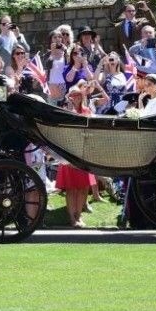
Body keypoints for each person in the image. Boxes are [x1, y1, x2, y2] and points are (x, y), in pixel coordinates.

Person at [55, 84, 96, 227]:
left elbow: (91, 130)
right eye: (72, 94)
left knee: (83, 187)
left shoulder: (87, 111)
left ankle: (79, 216)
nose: (76, 97)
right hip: (68, 152)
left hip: (84, 153)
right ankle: (72, 218)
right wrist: (69, 106)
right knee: (71, 188)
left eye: (78, 94)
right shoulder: (63, 111)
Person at [43, 29, 69, 105]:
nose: (58, 39)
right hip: (52, 86)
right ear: (51, 40)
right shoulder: (48, 54)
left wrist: (66, 51)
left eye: (59, 37)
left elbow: (69, 66)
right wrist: (52, 52)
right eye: (55, 37)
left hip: (63, 85)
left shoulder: (65, 52)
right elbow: (47, 66)